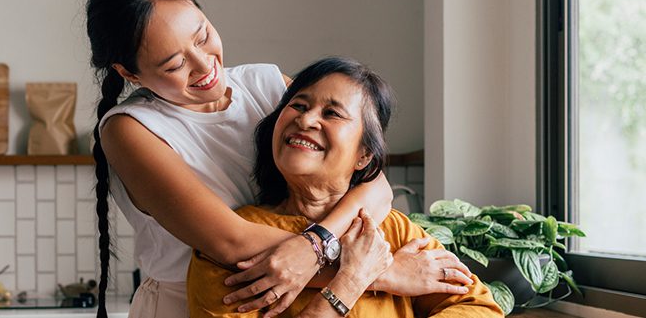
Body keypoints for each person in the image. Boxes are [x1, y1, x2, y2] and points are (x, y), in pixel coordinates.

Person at [86, 0, 474, 318]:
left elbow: (374, 181)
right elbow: (230, 243)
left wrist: (316, 245)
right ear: (129, 73)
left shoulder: (268, 84)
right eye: (174, 64)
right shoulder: (129, 129)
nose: (205, 65)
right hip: (200, 302)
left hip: (299, 291)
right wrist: (377, 271)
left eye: (203, 36)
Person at [187, 57, 504, 317]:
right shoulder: (229, 247)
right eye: (298, 105)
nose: (307, 120)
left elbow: (478, 308)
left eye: (332, 113)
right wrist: (351, 280)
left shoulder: (393, 231)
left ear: (364, 155)